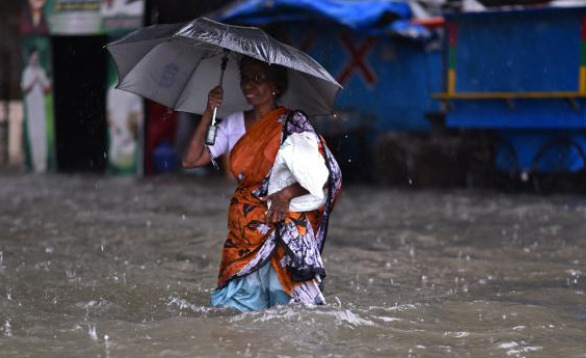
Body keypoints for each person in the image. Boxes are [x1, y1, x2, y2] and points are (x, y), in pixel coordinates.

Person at [182, 56, 342, 312]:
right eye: (245, 78)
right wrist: (209, 111)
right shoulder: (233, 123)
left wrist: (286, 194)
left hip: (285, 224)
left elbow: (322, 177)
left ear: (276, 85)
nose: (249, 85)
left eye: (258, 78)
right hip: (246, 229)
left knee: (290, 313)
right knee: (234, 315)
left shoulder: (294, 126)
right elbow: (191, 160)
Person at [21, 49, 51, 173]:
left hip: (41, 110)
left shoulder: (41, 72)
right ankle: (35, 164)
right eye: (33, 58)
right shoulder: (27, 73)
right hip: (32, 111)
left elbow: (47, 91)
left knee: (42, 136)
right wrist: (34, 79)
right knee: (34, 137)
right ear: (30, 59)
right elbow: (26, 89)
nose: (35, 61)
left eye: (37, 58)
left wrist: (41, 79)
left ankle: (43, 165)